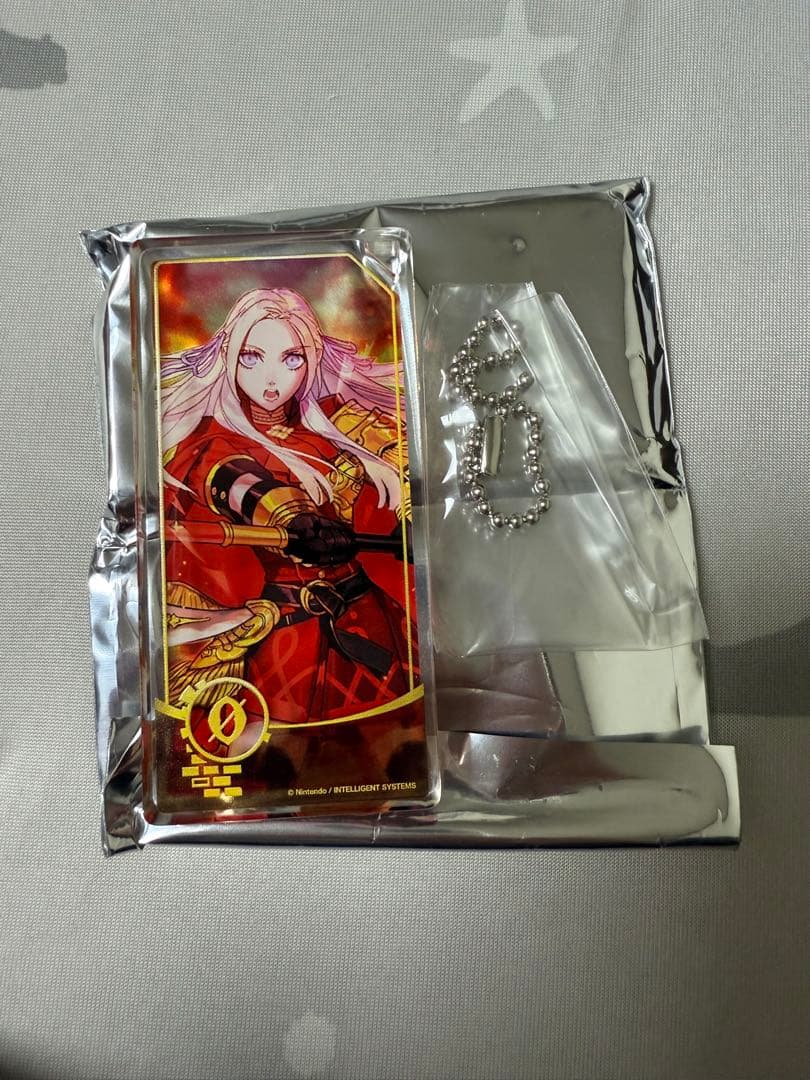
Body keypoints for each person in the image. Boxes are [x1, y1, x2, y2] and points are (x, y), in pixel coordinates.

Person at [160, 287, 421, 787]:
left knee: (401, 749)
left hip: (367, 612)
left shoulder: (335, 422)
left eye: (291, 359)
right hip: (290, 623)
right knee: (274, 763)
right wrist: (295, 518)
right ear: (230, 356)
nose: (271, 378)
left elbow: (399, 458)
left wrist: (415, 512)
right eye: (252, 357)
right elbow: (231, 478)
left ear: (311, 359)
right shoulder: (209, 439)